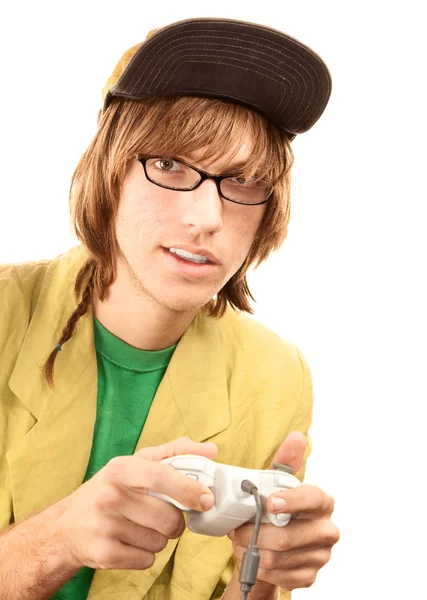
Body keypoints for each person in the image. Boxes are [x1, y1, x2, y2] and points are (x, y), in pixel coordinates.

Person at [0, 17, 339, 600]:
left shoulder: (277, 376)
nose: (208, 218)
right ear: (109, 171)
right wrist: (58, 539)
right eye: (171, 165)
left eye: (244, 179)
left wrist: (264, 577)